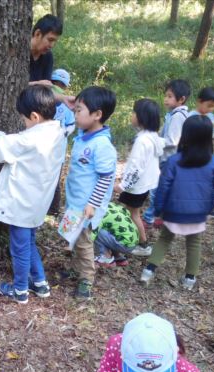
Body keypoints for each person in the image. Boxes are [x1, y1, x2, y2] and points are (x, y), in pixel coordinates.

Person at [0, 86, 65, 304]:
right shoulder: (59, 134)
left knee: (19, 247)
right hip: (37, 203)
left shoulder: (28, 140)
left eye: (24, 119)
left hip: (21, 203)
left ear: (35, 116)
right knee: (28, 243)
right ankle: (40, 283)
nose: (24, 124)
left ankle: (19, 290)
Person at [140, 115, 214, 290]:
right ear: (208, 138)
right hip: (198, 212)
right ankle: (190, 279)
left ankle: (148, 271)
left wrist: (158, 210)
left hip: (174, 210)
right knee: (194, 242)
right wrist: (210, 209)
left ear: (185, 136)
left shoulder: (174, 161)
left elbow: (163, 187)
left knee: (164, 239)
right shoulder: (213, 162)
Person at [63, 86, 117, 300]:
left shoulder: (102, 145)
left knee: (84, 242)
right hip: (75, 201)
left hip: (86, 206)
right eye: (75, 110)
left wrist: (92, 204)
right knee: (73, 237)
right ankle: (76, 270)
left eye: (79, 111)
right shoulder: (83, 135)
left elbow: (105, 178)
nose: (75, 115)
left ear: (97, 115)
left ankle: (86, 278)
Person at [114, 99, 165, 257]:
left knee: (131, 213)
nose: (132, 115)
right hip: (145, 184)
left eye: (134, 112)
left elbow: (136, 167)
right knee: (132, 212)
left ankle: (140, 243)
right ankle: (138, 241)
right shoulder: (152, 137)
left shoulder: (142, 141)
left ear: (141, 117)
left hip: (136, 186)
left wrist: (123, 185)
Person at [142, 79, 191, 229]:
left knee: (156, 189)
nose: (166, 100)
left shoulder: (178, 116)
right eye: (166, 96)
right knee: (162, 188)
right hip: (166, 158)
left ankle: (149, 217)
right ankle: (162, 216)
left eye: (170, 96)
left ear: (181, 99)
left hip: (168, 159)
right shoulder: (172, 115)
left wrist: (156, 141)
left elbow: (172, 140)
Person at [46, 68, 76, 217]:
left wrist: (64, 132)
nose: (58, 87)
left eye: (61, 85)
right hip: (43, 147)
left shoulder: (66, 105)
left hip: (58, 149)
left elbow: (72, 124)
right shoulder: (44, 101)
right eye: (55, 83)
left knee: (54, 180)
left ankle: (54, 209)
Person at [189, 86, 214, 218]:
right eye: (209, 105)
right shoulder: (191, 117)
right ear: (199, 101)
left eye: (213, 106)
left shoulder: (211, 116)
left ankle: (210, 207)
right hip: (195, 154)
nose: (211, 109)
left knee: (212, 181)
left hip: (209, 153)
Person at [92, 202, 139, 268]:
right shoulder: (112, 205)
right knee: (114, 230)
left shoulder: (101, 213)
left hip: (123, 243)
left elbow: (93, 232)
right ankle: (118, 257)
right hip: (134, 242)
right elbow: (127, 212)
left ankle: (106, 259)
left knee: (97, 232)